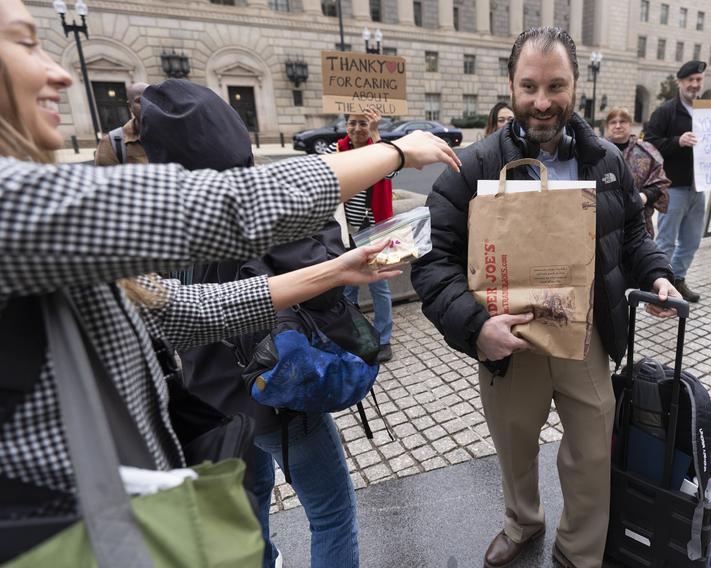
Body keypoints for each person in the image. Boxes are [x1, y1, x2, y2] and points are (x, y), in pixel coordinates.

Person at [0, 2, 460, 561]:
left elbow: (189, 310)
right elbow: (229, 209)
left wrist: (339, 268)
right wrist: (393, 152)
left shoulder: (49, 224)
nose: (61, 71)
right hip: (77, 534)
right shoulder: (12, 205)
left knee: (251, 511)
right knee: (331, 511)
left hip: (152, 475)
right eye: (26, 42)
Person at [411, 27, 679, 568]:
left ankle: (579, 551)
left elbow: (632, 231)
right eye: (529, 85)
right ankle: (522, 521)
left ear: (575, 84)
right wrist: (473, 325)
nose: (542, 101)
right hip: (507, 339)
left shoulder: (606, 161)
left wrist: (656, 275)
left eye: (555, 85)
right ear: (511, 84)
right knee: (515, 446)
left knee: (591, 451)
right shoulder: (476, 166)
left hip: (586, 335)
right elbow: (431, 257)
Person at [138, 79, 363, 568]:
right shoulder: (260, 204)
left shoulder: (160, 212)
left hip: (210, 395)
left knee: (250, 510)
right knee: (330, 514)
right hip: (280, 395)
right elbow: (326, 283)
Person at [328, 108, 395, 362]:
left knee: (380, 287)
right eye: (352, 123)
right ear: (346, 125)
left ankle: (384, 338)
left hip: (373, 228)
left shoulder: (379, 149)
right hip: (344, 231)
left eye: (363, 124)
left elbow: (389, 171)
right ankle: (353, 334)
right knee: (347, 288)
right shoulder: (335, 151)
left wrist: (377, 132)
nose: (357, 128)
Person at [644, 59, 708, 303]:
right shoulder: (666, 111)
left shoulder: (708, 111)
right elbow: (649, 143)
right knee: (665, 242)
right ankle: (659, 285)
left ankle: (678, 278)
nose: (694, 84)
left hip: (698, 186)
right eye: (690, 80)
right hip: (674, 188)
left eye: (698, 80)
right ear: (680, 83)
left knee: (692, 241)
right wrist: (676, 141)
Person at [604, 106, 669, 238]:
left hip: (639, 223)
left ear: (630, 124)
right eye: (613, 122)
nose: (618, 126)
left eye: (622, 121)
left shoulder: (646, 151)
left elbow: (660, 184)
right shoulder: (597, 152)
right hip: (605, 225)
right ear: (607, 126)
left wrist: (644, 197)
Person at [94, 82, 149, 165]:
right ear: (130, 106)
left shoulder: (171, 133)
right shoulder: (111, 143)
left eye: (152, 100)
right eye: (140, 101)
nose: (148, 105)